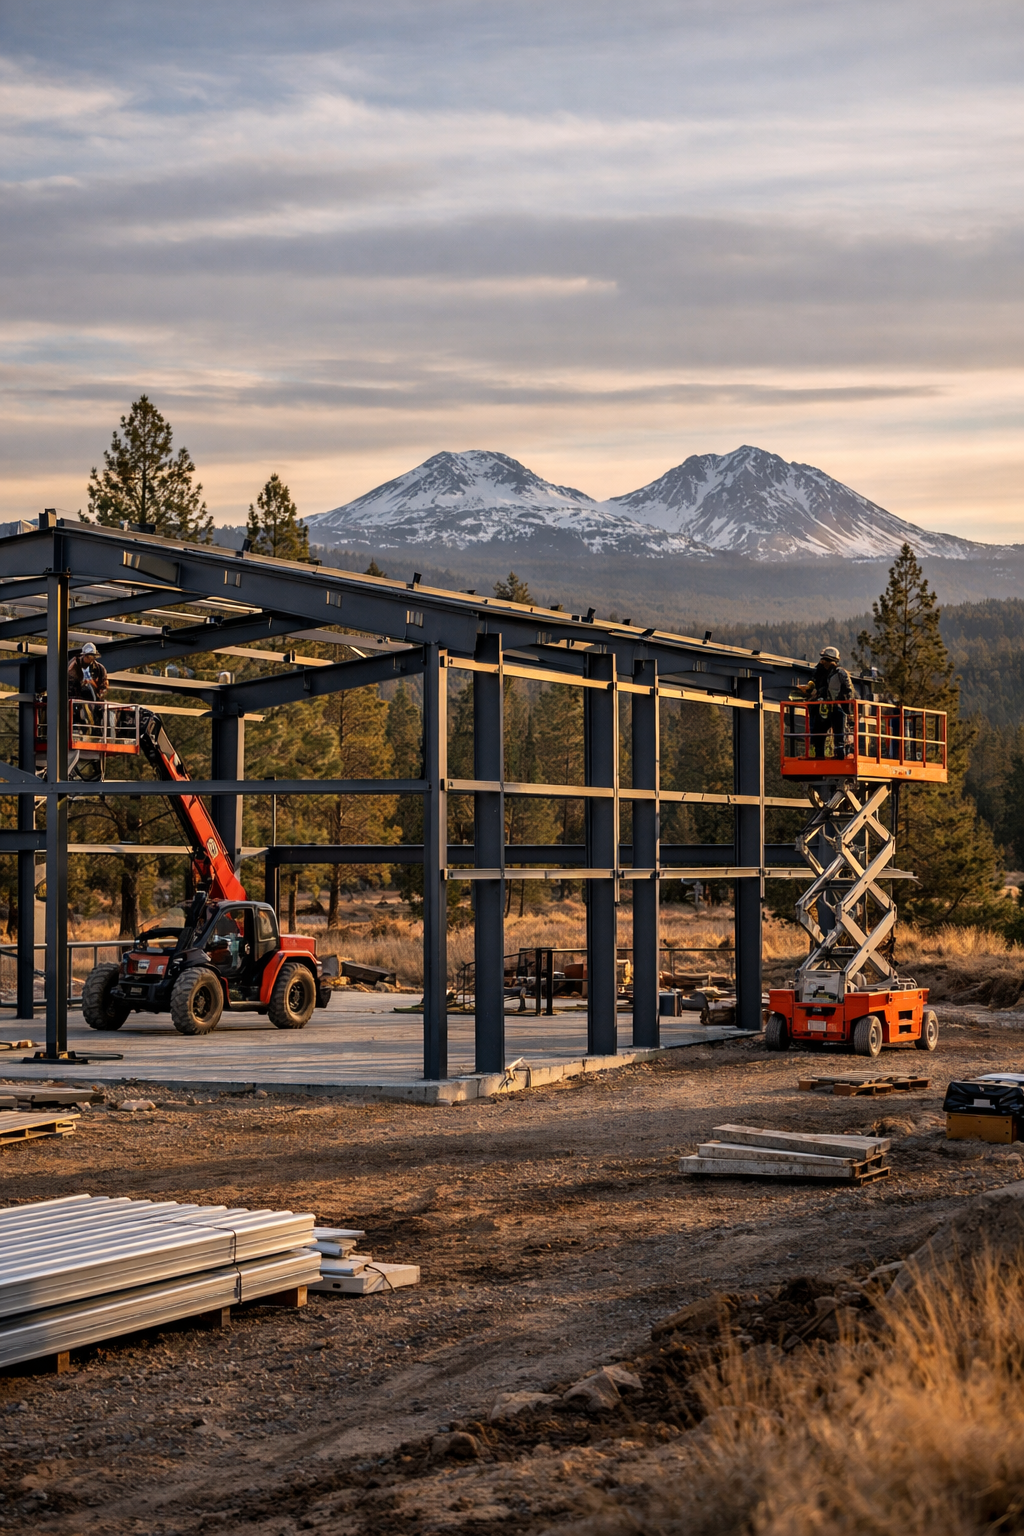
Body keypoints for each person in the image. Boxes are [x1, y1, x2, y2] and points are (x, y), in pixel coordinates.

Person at [796, 646, 854, 759]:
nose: (822, 662)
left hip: (837, 707)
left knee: (839, 732)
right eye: (822, 660)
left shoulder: (840, 673)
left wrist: (844, 704)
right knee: (819, 731)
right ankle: (818, 755)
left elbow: (848, 690)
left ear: (832, 661)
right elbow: (821, 687)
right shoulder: (820, 674)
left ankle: (840, 755)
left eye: (825, 660)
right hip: (824, 707)